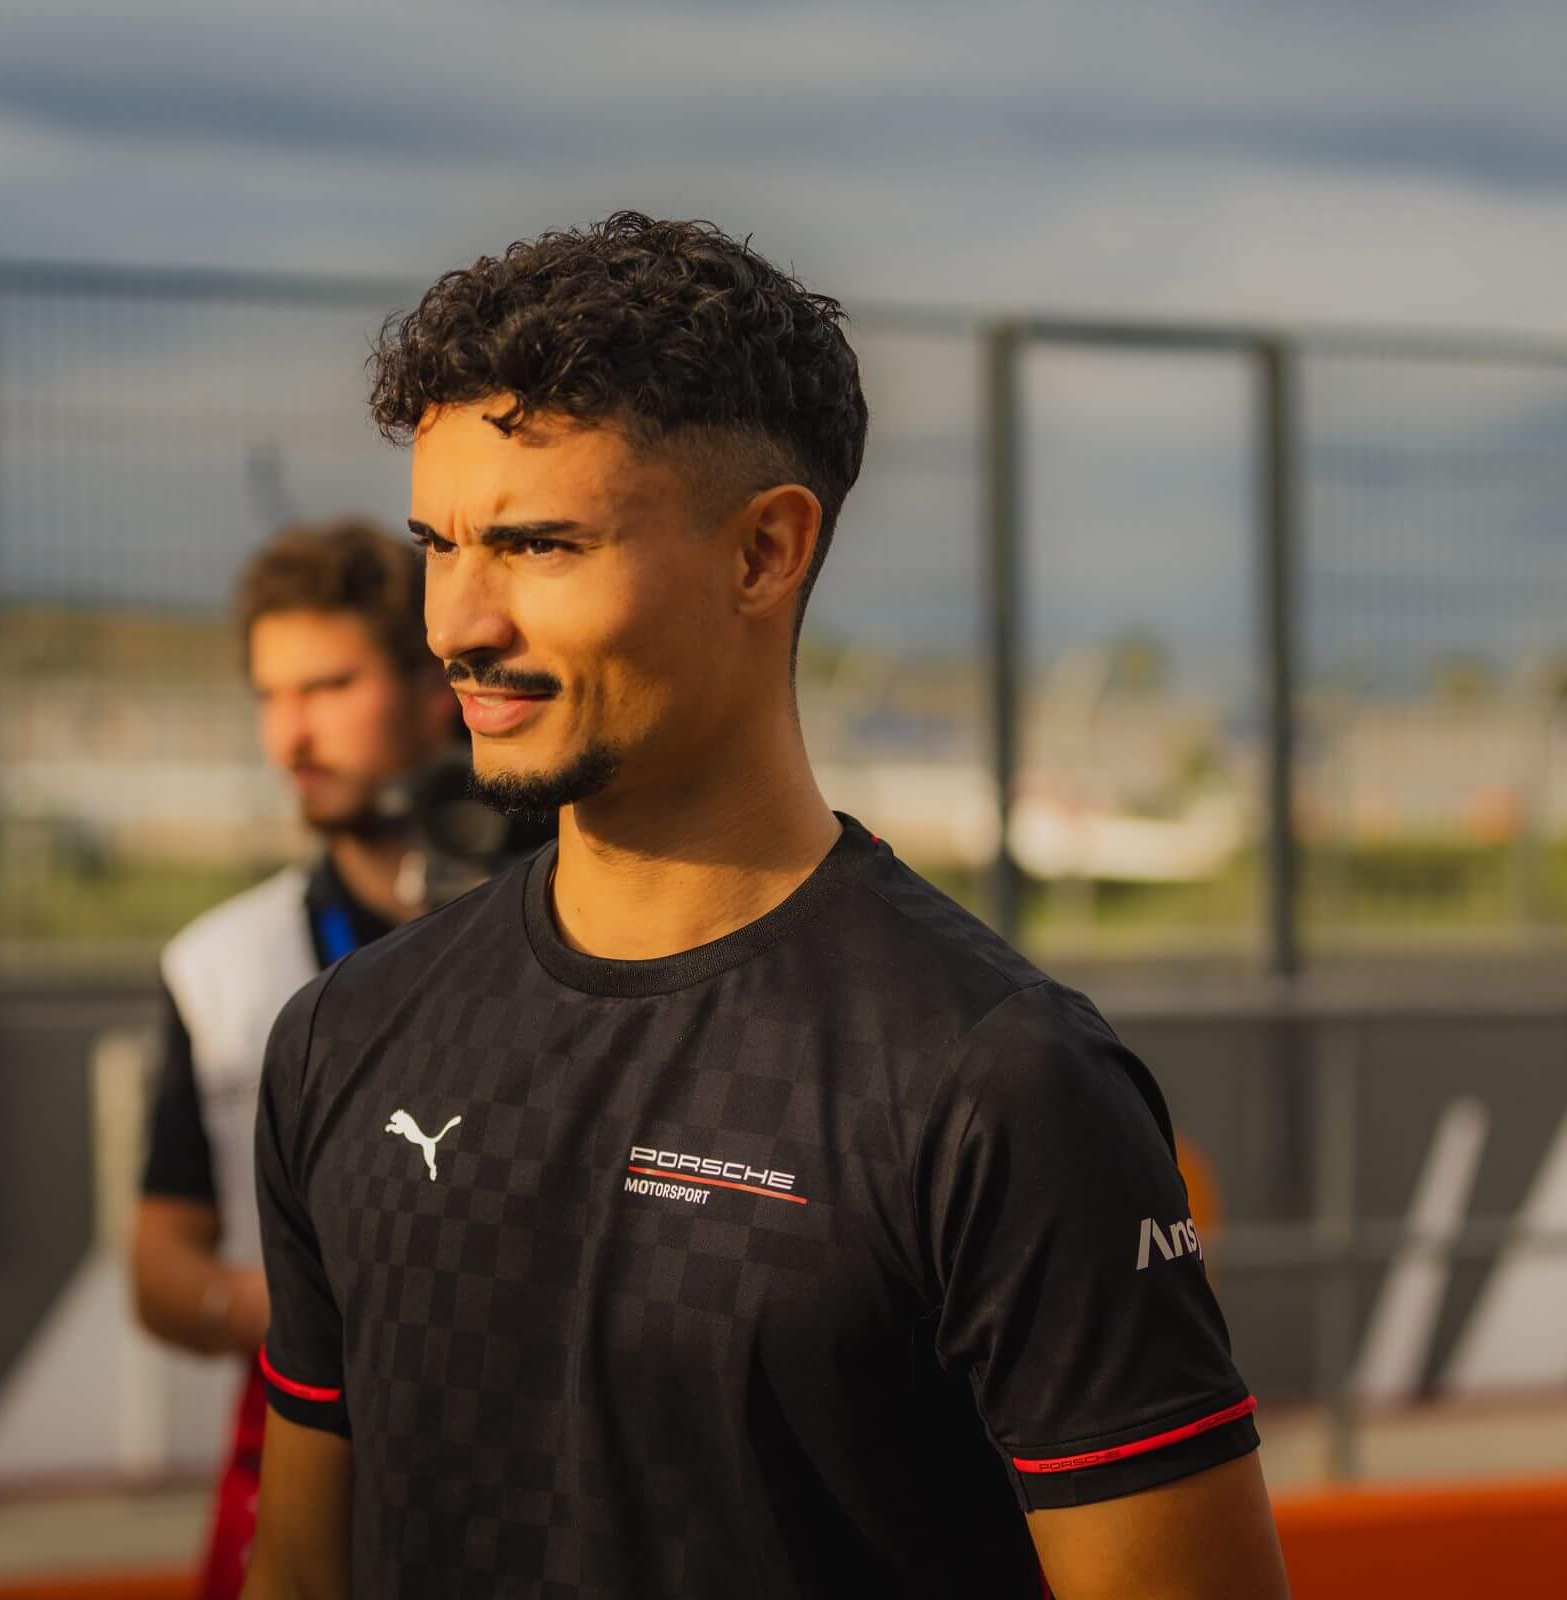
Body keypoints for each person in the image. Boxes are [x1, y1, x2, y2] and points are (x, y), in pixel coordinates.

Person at [244, 215, 1294, 1599]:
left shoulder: (995, 1081)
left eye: (542, 546)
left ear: (764, 554)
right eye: (441, 545)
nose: (460, 623)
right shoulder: (342, 1038)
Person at [131, 521, 458, 1600]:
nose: (291, 736)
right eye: (271, 696)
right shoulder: (219, 966)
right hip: (294, 1445)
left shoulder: (564, 922)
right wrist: (317, 1311)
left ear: (436, 688)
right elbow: (159, 1267)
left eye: (327, 685)